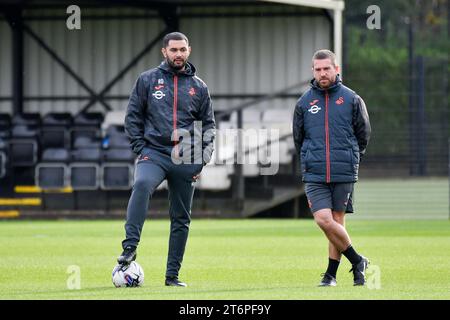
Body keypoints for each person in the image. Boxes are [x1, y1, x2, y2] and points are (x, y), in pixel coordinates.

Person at [117, 32, 215, 287]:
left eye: (182, 49)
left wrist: (201, 160)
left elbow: (209, 127)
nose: (178, 54)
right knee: (141, 185)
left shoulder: (199, 86)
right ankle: (129, 248)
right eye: (174, 50)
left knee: (181, 218)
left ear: (189, 51)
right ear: (164, 52)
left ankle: (172, 276)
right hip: (155, 153)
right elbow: (132, 117)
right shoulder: (147, 80)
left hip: (187, 157)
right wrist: (141, 147)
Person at [293, 49, 371, 287]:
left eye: (327, 68)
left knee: (336, 221)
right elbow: (299, 138)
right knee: (323, 220)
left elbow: (363, 134)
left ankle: (331, 275)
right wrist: (309, 158)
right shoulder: (304, 102)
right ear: (313, 71)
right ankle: (358, 260)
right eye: (318, 69)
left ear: (336, 69)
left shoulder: (352, 99)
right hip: (315, 172)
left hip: (343, 169)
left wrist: (351, 156)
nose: (322, 73)